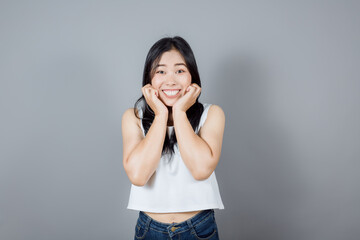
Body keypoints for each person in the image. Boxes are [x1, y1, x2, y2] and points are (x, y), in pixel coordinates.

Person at [122, 36, 225, 239]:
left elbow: (201, 169)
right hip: (149, 229)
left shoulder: (211, 114)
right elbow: (138, 176)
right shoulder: (133, 117)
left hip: (199, 228)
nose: (170, 80)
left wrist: (179, 112)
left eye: (180, 70)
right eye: (160, 71)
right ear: (149, 78)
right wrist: (160, 114)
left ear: (192, 76)